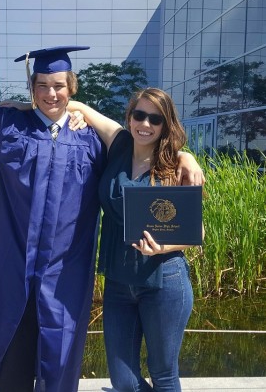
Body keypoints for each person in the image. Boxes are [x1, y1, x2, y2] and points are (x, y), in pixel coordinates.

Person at [0, 47, 203, 392]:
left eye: (59, 85)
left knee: (61, 362)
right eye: (42, 85)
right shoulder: (7, 124)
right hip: (13, 273)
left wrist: (185, 155)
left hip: (66, 278)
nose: (51, 93)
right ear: (32, 89)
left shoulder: (92, 140)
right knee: (11, 358)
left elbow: (150, 149)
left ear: (71, 88)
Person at [68, 88, 197, 391]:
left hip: (164, 279)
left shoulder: (174, 166)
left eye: (156, 119)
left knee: (163, 374)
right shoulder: (119, 144)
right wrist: (26, 106)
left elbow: (197, 232)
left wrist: (164, 246)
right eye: (139, 115)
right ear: (129, 117)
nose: (145, 124)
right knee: (123, 380)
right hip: (118, 281)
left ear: (165, 125)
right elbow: (77, 104)